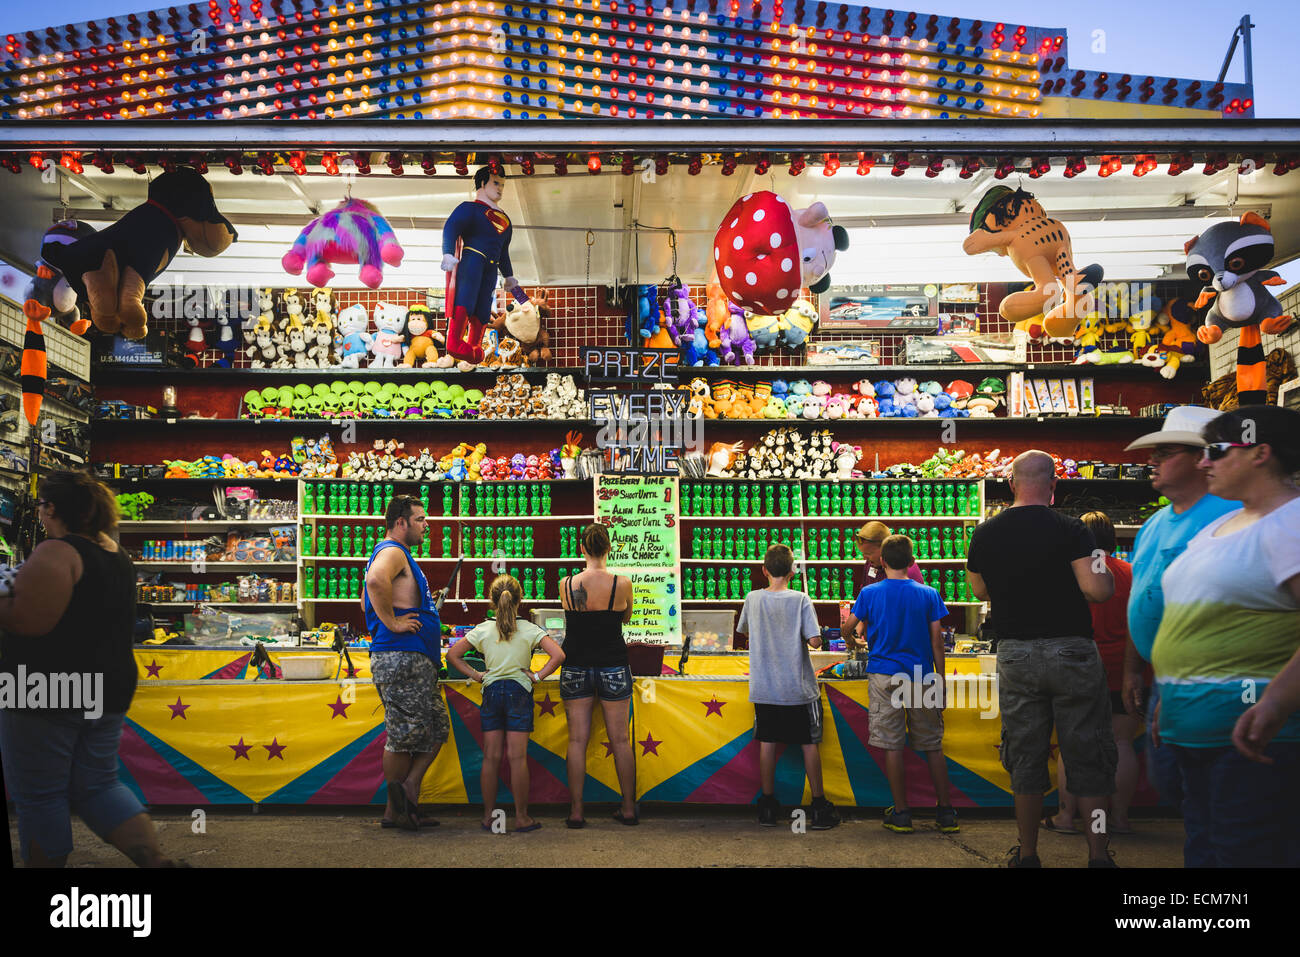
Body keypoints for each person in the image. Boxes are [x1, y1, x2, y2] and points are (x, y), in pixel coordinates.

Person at [0, 471, 178, 866]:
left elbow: (30, 621)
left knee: (41, 794)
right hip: (108, 685)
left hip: (46, 688)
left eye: (42, 507)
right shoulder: (115, 554)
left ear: (52, 508)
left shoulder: (57, 551)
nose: (41, 515)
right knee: (98, 784)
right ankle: (154, 860)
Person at [1150, 405, 1300, 867]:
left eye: (1215, 450)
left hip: (1253, 737)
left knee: (1245, 852)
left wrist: (1274, 702)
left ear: (1260, 453)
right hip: (1195, 731)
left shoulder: (1290, 524)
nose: (1203, 461)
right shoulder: (1221, 526)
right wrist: (1168, 697)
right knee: (1207, 848)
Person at [965, 450, 1117, 868]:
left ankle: (1028, 853)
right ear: (1054, 484)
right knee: (1089, 755)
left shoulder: (985, 533)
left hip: (1015, 653)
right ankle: (1099, 855)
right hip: (1072, 650)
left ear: (1011, 483)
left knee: (1026, 757)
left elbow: (979, 592)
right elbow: (1098, 590)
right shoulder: (1073, 530)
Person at [1120, 406, 1236, 824]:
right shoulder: (1154, 524)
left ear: (1202, 459)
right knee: (1177, 787)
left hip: (1214, 683)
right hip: (1167, 681)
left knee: (1219, 804)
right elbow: (1140, 595)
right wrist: (1135, 669)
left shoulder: (1230, 516)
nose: (1151, 460)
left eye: (1165, 451)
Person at [842, 534, 957, 834]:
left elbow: (849, 626)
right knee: (932, 744)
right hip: (922, 674)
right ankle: (945, 812)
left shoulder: (870, 594)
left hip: (884, 675)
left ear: (881, 561)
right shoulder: (929, 594)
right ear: (910, 561)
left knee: (893, 746)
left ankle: (902, 813)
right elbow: (937, 641)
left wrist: (849, 637)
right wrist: (940, 681)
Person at [446, 574, 564, 833]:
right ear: (520, 600)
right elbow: (558, 654)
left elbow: (452, 654)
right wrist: (536, 676)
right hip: (520, 692)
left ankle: (489, 817)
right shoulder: (531, 629)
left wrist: (477, 675)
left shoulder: (483, 629)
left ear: (492, 600)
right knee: (517, 758)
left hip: (491, 693)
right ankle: (521, 817)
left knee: (491, 758)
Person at [738, 543, 840, 830]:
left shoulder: (752, 598)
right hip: (798, 688)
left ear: (764, 570)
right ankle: (819, 806)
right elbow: (815, 641)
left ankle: (768, 806)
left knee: (767, 742)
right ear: (794, 571)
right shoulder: (801, 600)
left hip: (764, 687)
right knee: (809, 743)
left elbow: (744, 630)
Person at [363, 495, 448, 831]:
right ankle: (393, 812)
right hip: (401, 657)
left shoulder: (395, 555)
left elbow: (364, 599)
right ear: (402, 522)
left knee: (437, 727)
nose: (426, 526)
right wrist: (394, 623)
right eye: (421, 519)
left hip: (413, 658)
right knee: (402, 736)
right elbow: (374, 584)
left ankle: (409, 792)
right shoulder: (392, 551)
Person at [1049, 512, 1136, 835]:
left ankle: (1066, 817)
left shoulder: (1070, 572)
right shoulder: (1130, 572)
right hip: (1124, 668)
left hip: (1078, 665)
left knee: (1072, 744)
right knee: (1122, 742)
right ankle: (1120, 818)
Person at [558, 524, 637, 827]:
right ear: (609, 548)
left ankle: (576, 811)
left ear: (582, 548)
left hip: (575, 663)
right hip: (613, 664)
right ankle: (628, 808)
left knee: (577, 740)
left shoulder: (566, 584)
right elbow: (624, 617)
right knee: (620, 740)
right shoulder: (622, 583)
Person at [854, 521, 925, 588]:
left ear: (884, 547)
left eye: (868, 553)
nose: (864, 558)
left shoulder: (903, 569)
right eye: (863, 553)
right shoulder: (871, 563)